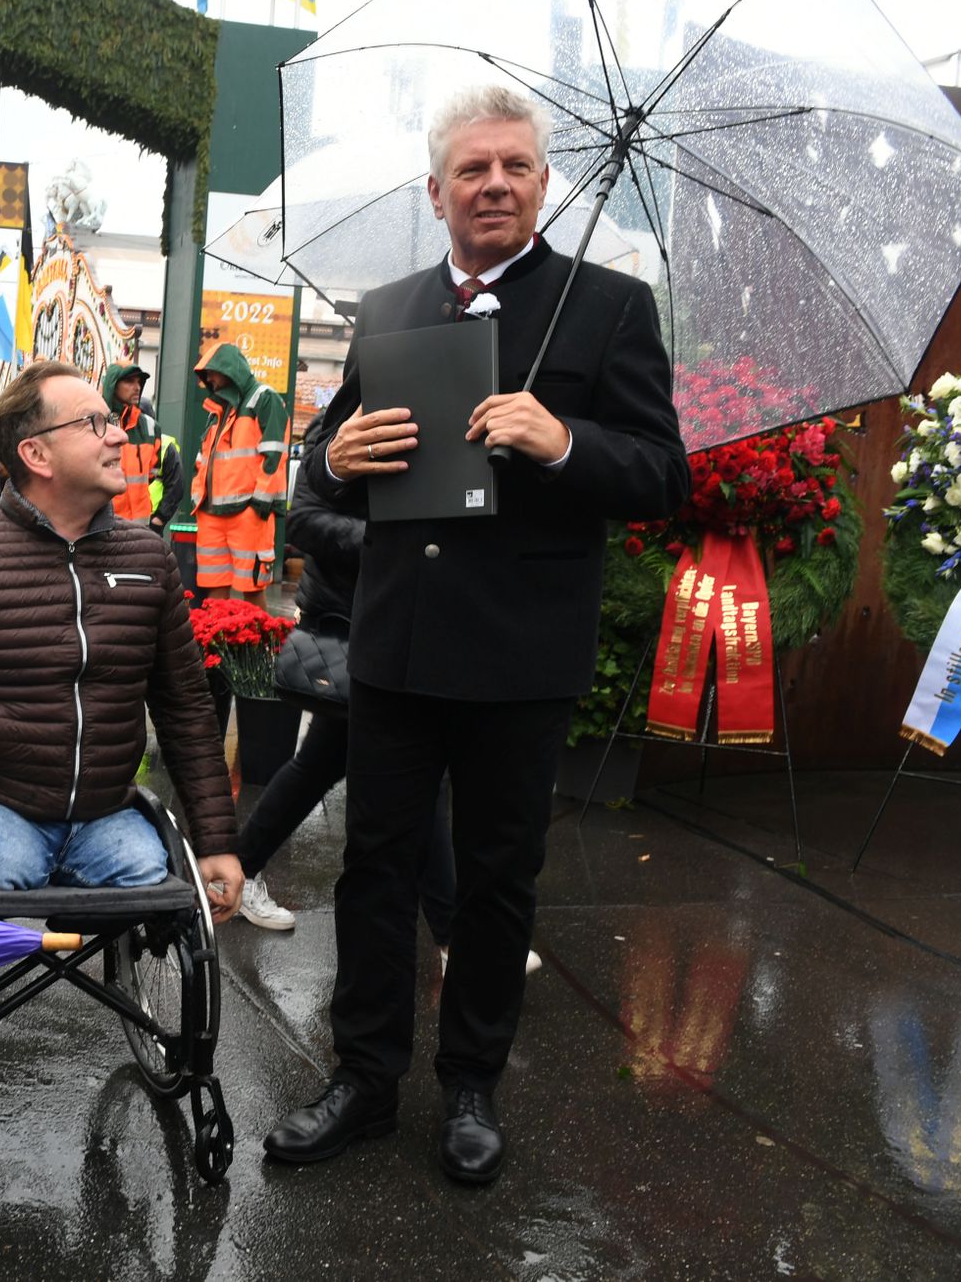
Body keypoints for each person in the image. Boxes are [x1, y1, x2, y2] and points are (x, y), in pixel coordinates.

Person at [264, 84, 688, 1185]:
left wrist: (562, 441)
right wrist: (332, 459)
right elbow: (326, 462)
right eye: (471, 168)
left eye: (513, 166)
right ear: (436, 190)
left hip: (521, 650)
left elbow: (661, 474)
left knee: (497, 879)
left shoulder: (609, 307)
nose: (493, 183)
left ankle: (470, 1085)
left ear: (541, 182)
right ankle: (363, 1077)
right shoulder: (389, 308)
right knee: (374, 868)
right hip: (396, 643)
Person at [0, 359, 245, 920]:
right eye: (94, 424)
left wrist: (216, 843)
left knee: (152, 879)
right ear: (36, 454)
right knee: (6, 870)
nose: (119, 435)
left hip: (106, 810)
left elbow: (186, 706)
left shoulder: (149, 559)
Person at [230, 422, 456, 945]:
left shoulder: (432, 421)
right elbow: (305, 521)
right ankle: (453, 937)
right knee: (422, 777)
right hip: (355, 625)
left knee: (321, 765)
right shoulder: (344, 425)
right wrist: (390, 543)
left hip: (402, 624)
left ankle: (237, 872)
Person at [190, 344, 289, 603]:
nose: (208, 378)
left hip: (248, 513)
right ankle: (216, 633)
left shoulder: (264, 398)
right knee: (214, 589)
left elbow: (275, 456)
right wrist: (198, 499)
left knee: (252, 589)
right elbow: (203, 460)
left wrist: (258, 505)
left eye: (212, 371)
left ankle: (255, 636)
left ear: (228, 370)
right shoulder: (218, 409)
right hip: (211, 514)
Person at [105, 364, 185, 533]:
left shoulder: (150, 427)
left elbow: (152, 475)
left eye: (139, 382)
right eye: (129, 381)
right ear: (113, 385)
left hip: (141, 529)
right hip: (105, 529)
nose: (137, 387)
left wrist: (158, 519)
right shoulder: (96, 423)